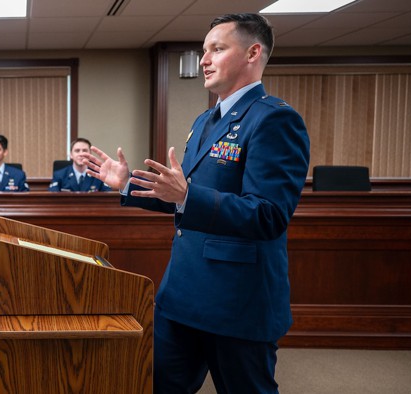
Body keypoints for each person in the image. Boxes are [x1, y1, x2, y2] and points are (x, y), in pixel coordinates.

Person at [87, 13, 310, 394]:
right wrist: (127, 184)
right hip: (181, 295)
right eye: (204, 51)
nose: (203, 60)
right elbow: (184, 200)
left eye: (217, 49)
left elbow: (269, 215)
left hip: (236, 302)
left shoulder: (274, 120)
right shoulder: (205, 120)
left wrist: (188, 196)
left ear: (253, 53)